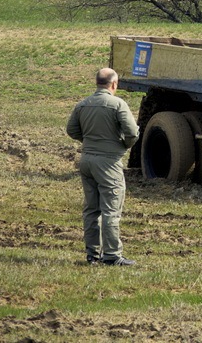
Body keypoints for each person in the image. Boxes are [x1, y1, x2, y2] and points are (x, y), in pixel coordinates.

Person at [66, 68, 140, 266]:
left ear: (97, 82)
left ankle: (92, 255)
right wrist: (122, 145)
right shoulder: (117, 104)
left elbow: (71, 129)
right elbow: (132, 133)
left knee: (91, 209)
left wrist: (89, 142)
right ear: (114, 84)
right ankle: (112, 256)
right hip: (108, 163)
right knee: (110, 210)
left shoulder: (83, 104)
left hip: (87, 160)